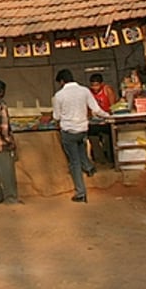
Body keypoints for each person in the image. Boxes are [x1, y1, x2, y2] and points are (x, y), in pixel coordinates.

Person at [52, 69, 111, 203]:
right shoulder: (84, 91)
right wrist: (109, 116)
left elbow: (56, 116)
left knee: (74, 162)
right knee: (81, 149)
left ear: (62, 81)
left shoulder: (59, 96)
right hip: (83, 129)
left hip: (68, 131)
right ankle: (89, 168)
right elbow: (96, 109)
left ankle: (80, 192)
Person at [87, 73, 118, 165]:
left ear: (101, 84)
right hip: (94, 120)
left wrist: (108, 115)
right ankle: (99, 159)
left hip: (106, 118)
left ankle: (110, 158)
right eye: (92, 85)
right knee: (93, 138)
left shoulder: (107, 90)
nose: (94, 88)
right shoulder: (89, 92)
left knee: (108, 139)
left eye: (96, 85)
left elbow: (112, 106)